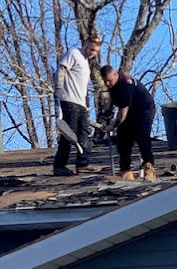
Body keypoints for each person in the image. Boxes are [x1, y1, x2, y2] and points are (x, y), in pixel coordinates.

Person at [53, 35, 102, 176]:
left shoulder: (86, 62)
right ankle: (60, 166)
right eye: (92, 49)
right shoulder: (74, 53)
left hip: (81, 103)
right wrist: (58, 88)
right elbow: (61, 69)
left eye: (96, 51)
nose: (93, 53)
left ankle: (83, 164)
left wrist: (86, 105)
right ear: (86, 44)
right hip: (69, 100)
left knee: (84, 133)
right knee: (69, 133)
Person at [100, 65, 156, 181]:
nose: (108, 84)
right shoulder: (113, 85)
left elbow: (122, 113)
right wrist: (107, 113)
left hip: (144, 109)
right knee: (123, 138)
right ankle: (125, 170)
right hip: (131, 110)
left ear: (115, 74)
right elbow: (112, 100)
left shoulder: (124, 84)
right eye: (105, 82)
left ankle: (149, 168)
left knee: (142, 137)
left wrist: (112, 125)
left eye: (109, 81)